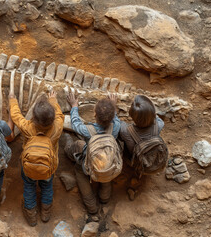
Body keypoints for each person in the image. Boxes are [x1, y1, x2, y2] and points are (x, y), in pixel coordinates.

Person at [9, 91, 64, 226]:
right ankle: (45, 212)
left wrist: (12, 100)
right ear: (52, 120)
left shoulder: (28, 127)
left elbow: (16, 116)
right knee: (47, 187)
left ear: (33, 116)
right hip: (48, 167)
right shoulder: (57, 127)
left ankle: (31, 213)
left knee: (29, 186)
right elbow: (60, 115)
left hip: (29, 167)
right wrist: (53, 100)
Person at [65, 92, 121, 220]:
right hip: (109, 164)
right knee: (106, 171)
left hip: (89, 166)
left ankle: (92, 208)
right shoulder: (116, 127)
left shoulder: (87, 130)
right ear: (112, 117)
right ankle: (105, 198)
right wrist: (112, 105)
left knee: (79, 171)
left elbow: (75, 124)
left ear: (94, 115)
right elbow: (116, 119)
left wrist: (74, 106)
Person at [118, 95, 165, 200]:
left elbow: (116, 123)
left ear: (131, 115)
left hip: (137, 163)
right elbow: (156, 117)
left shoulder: (126, 130)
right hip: (157, 162)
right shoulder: (160, 124)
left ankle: (133, 169)